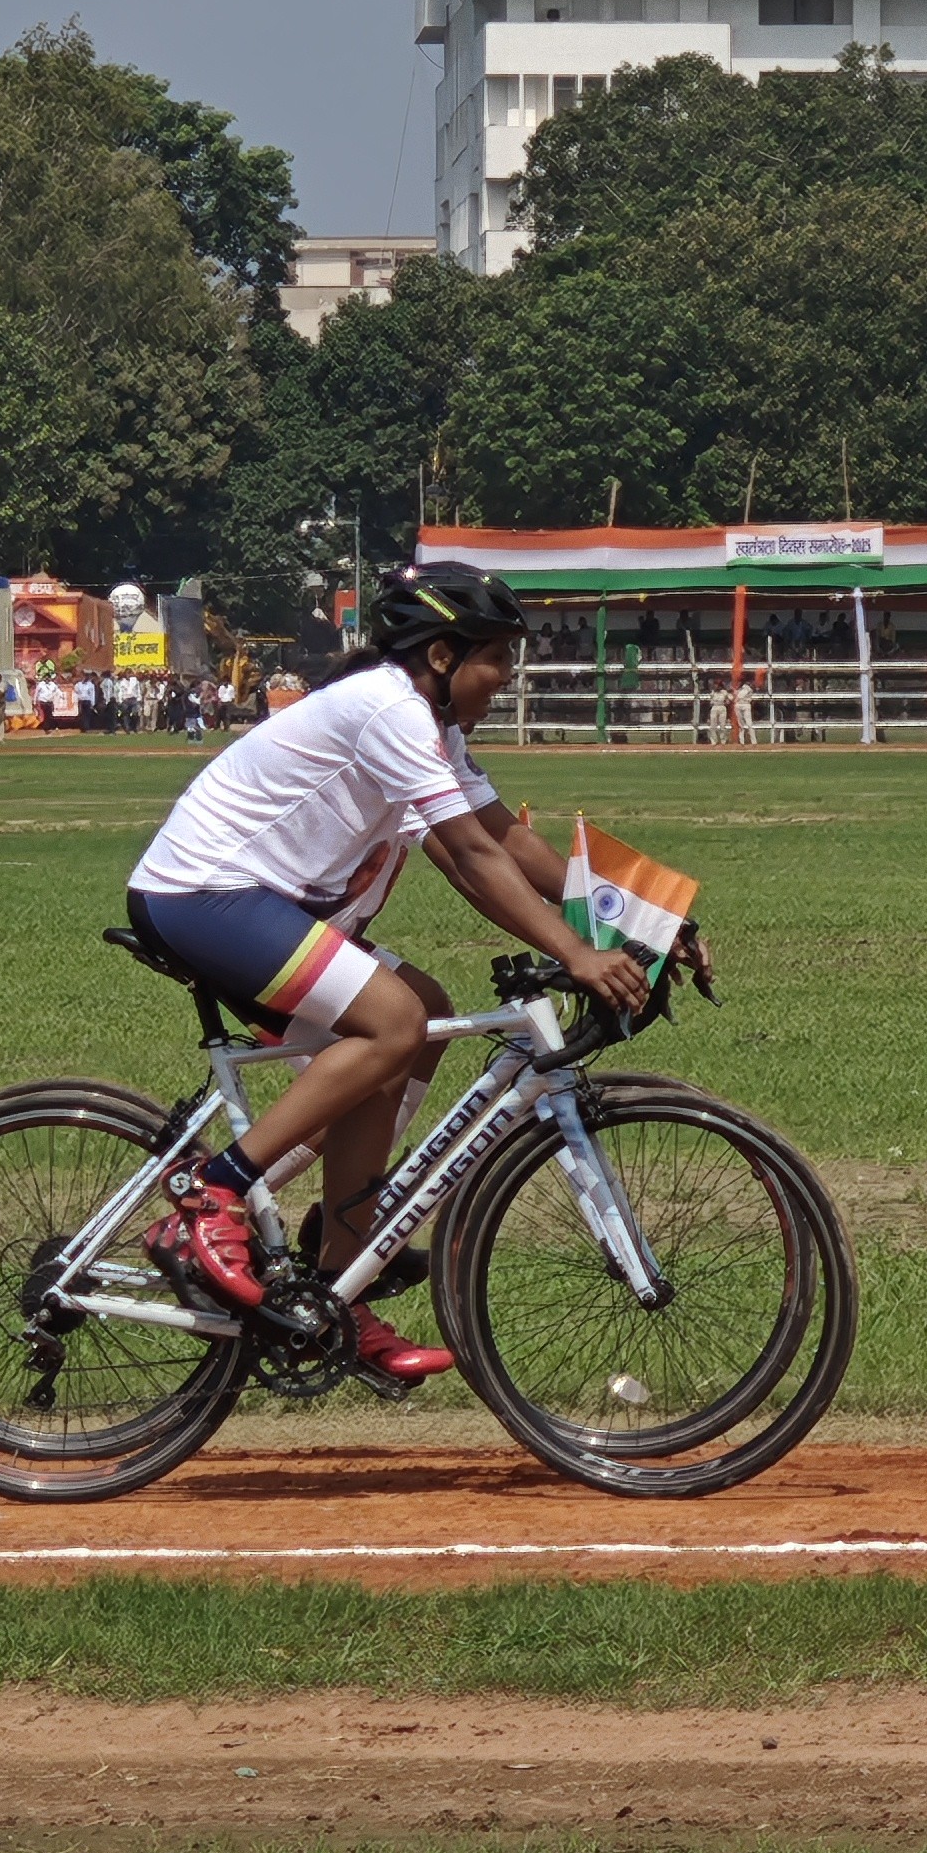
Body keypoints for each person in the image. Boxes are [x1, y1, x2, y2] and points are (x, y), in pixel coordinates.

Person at [126, 563, 650, 1395]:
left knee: (421, 1020)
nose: (507, 678)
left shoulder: (428, 726)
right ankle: (210, 1198)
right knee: (395, 1022)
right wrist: (581, 955)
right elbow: (472, 859)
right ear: (442, 654)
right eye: (497, 659)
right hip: (204, 894)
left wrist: (647, 921)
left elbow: (503, 840)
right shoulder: (388, 709)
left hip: (260, 904)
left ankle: (338, 1284)